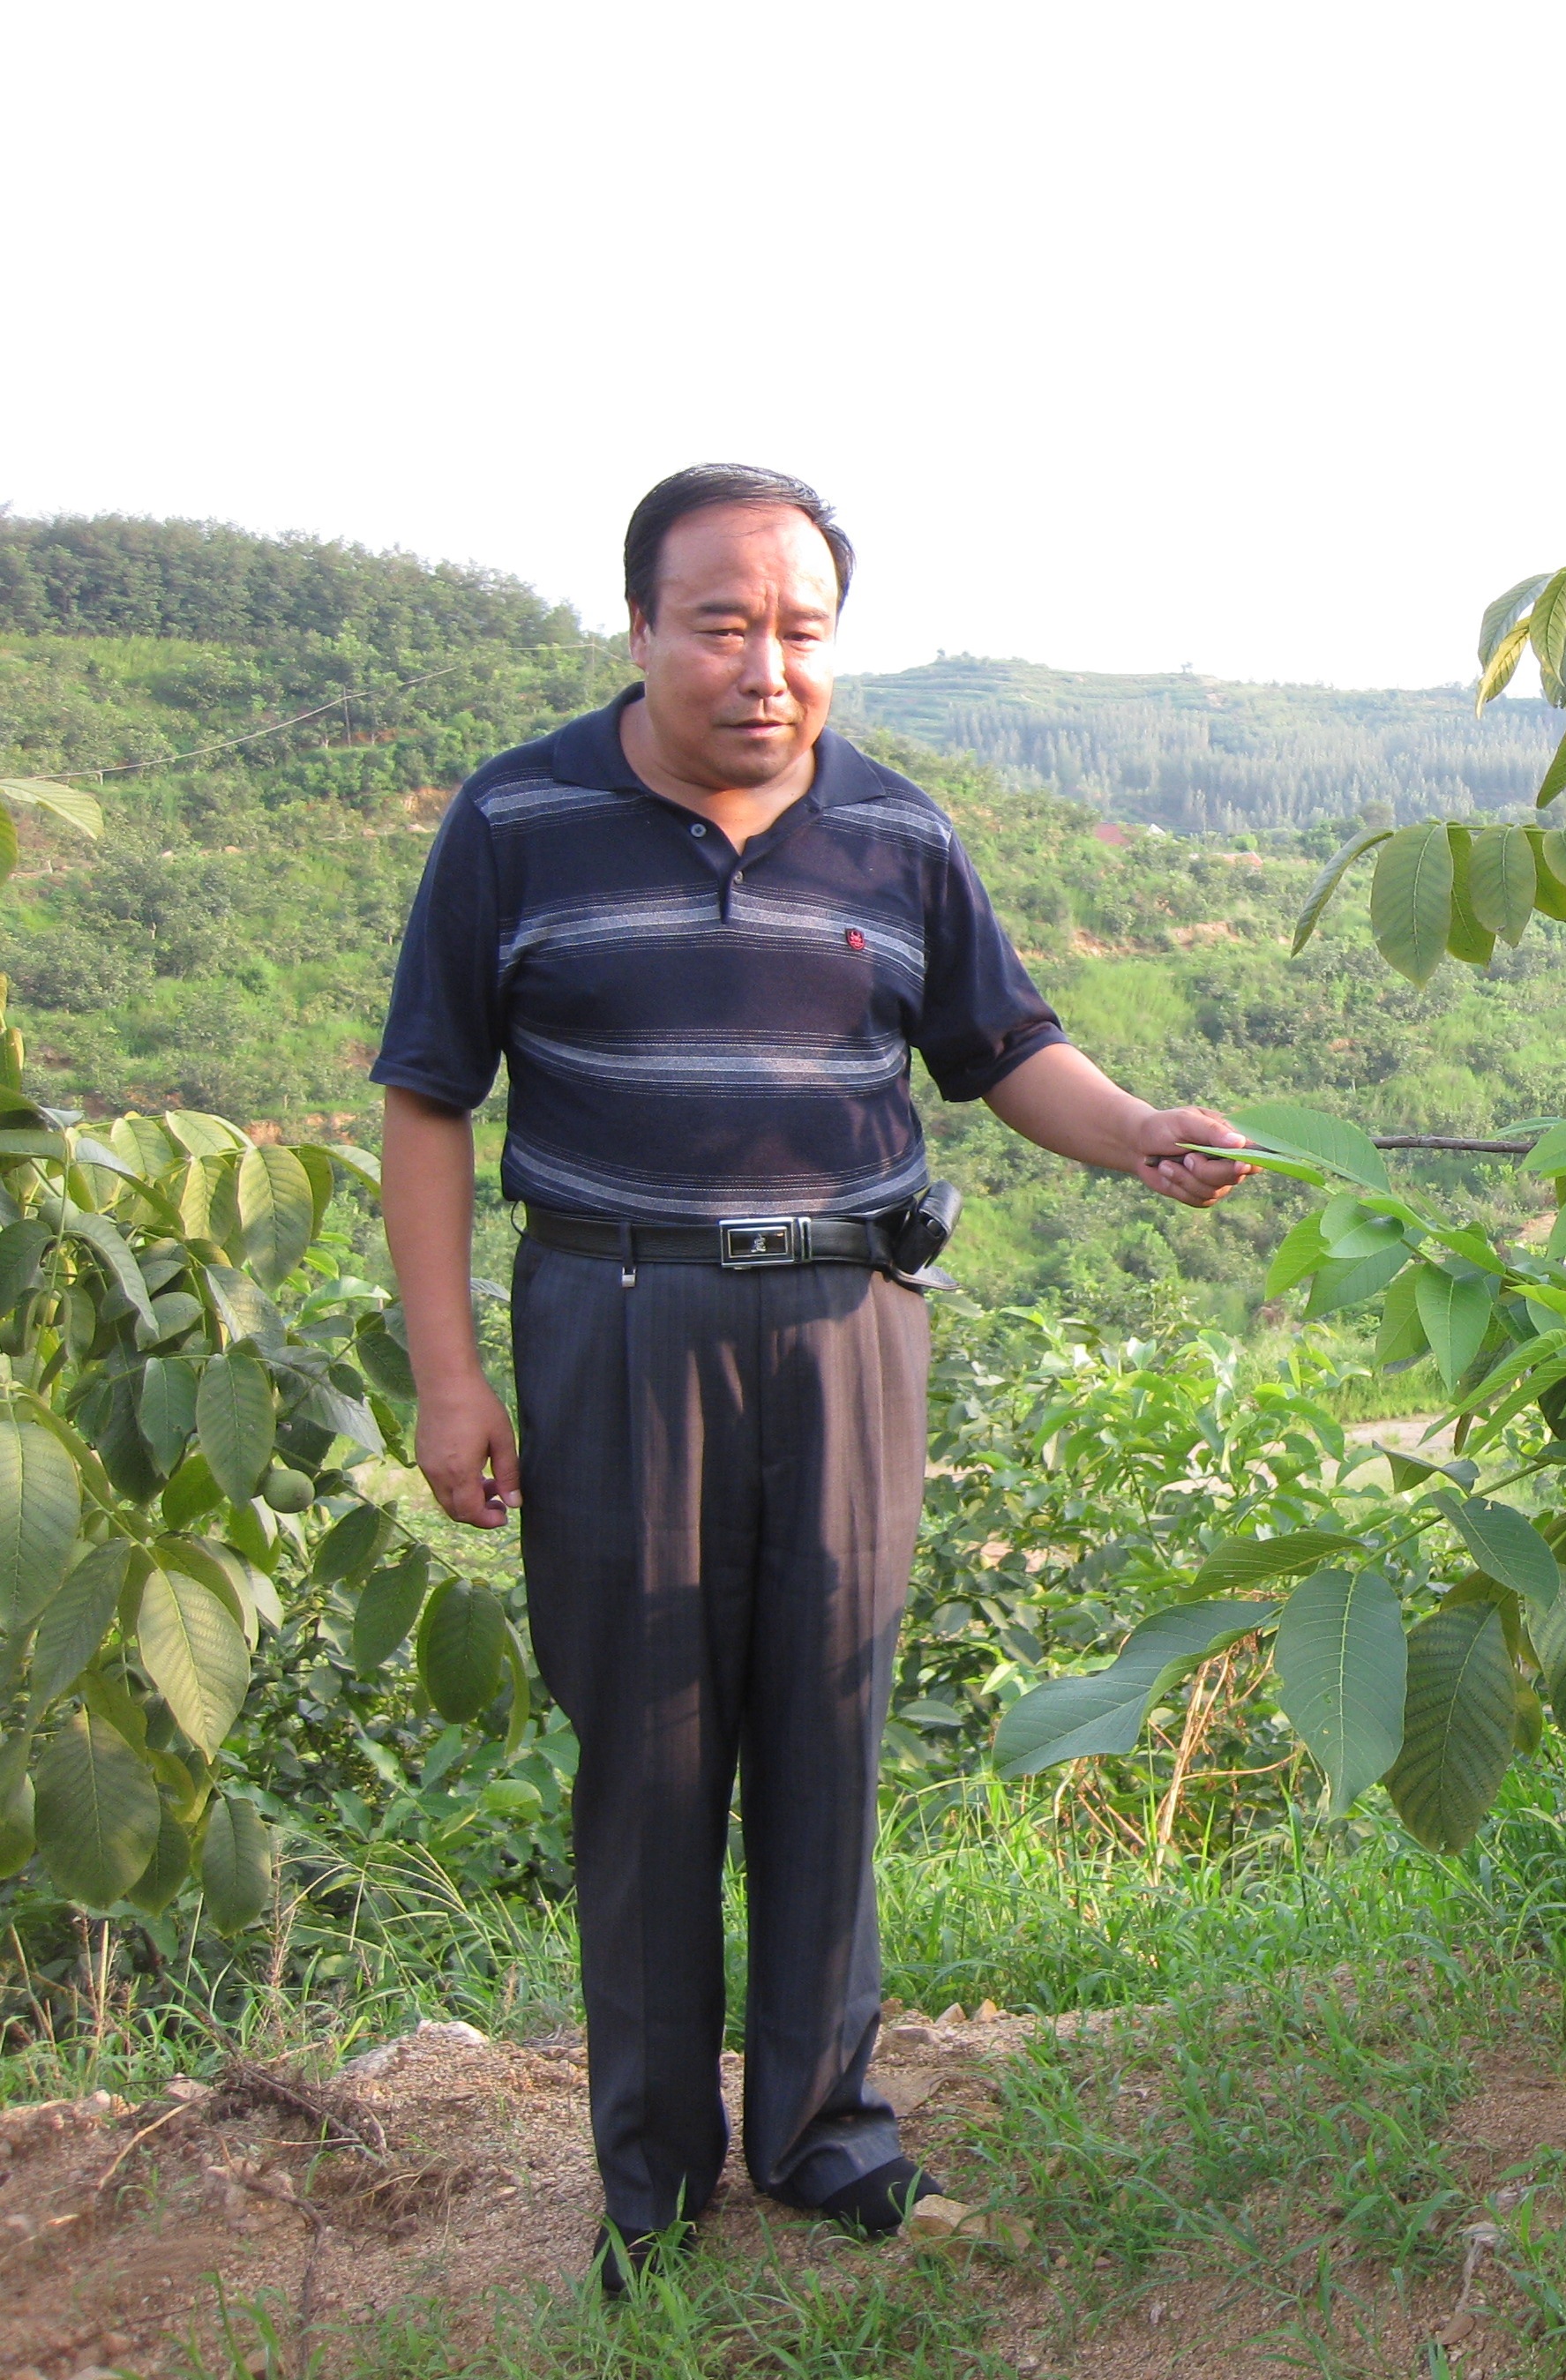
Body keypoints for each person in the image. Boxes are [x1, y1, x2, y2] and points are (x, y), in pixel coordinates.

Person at [371, 464, 1252, 2294]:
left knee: (828, 1732)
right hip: (613, 1322)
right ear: (639, 626)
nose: (766, 665)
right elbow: (429, 1102)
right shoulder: (515, 821)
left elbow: (1008, 1049)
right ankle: (655, 2178)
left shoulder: (900, 836)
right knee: (648, 1758)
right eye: (723, 622)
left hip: (850, 1328)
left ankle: (827, 2135)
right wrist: (451, 1381)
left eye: (802, 630)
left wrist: (1140, 1135)